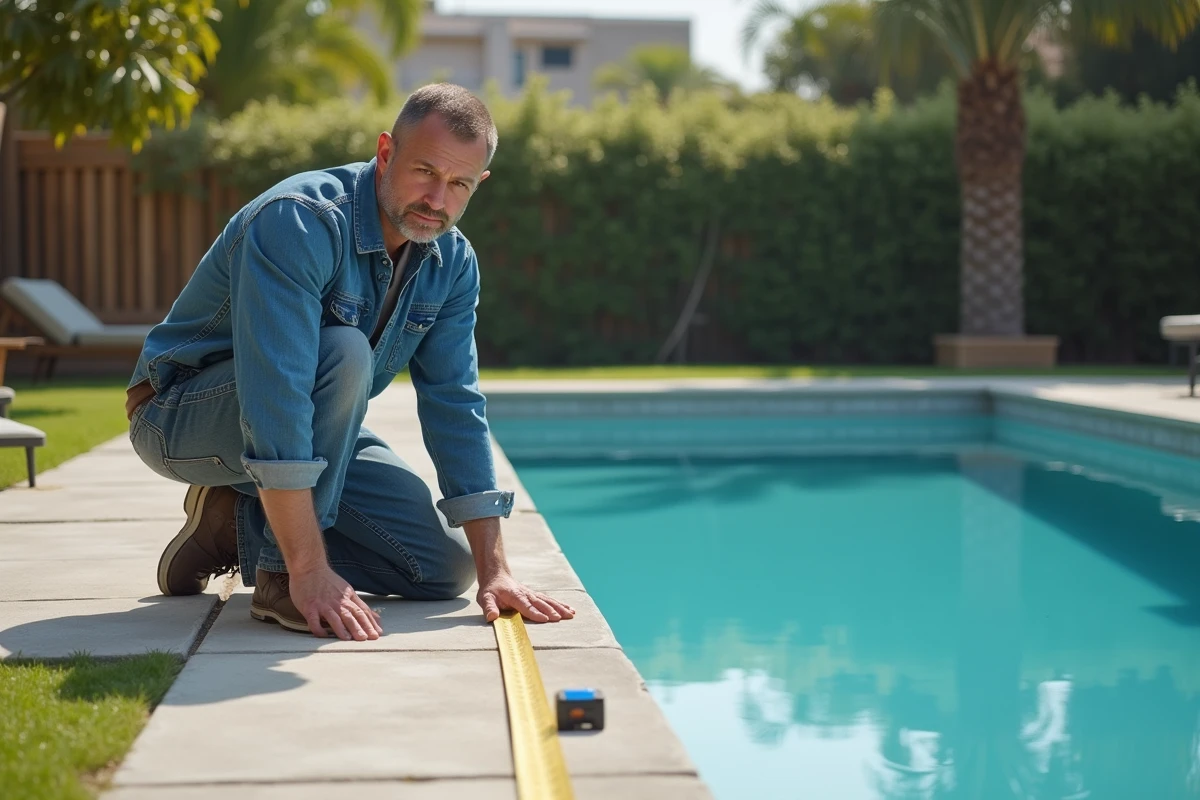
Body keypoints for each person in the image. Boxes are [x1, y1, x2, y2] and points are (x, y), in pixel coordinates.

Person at [125, 83, 575, 641]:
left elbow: (455, 402)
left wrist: (495, 570)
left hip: (312, 428)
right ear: (386, 153)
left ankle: (234, 524)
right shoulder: (299, 220)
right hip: (178, 414)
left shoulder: (452, 262)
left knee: (442, 568)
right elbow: (277, 397)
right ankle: (279, 569)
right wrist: (308, 572)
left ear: (478, 184)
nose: (437, 199)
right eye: (424, 172)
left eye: (458, 184)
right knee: (343, 349)